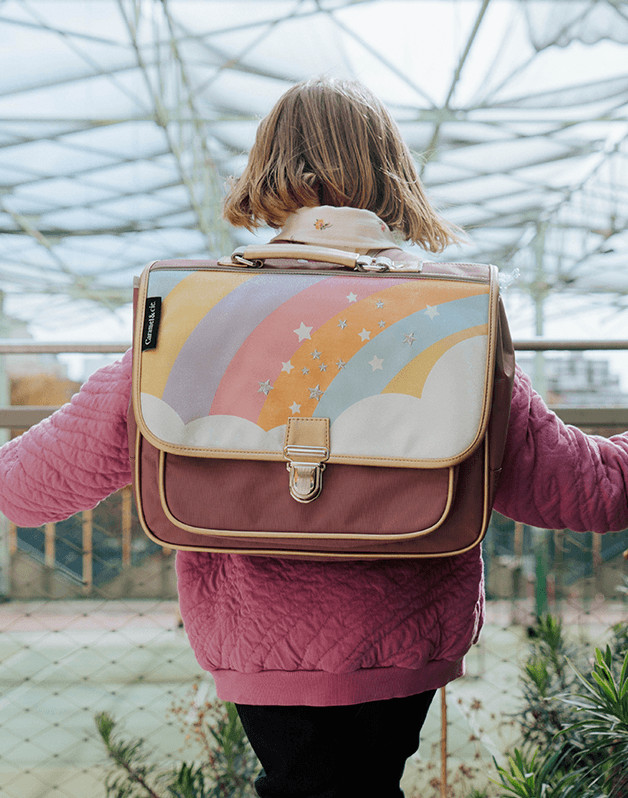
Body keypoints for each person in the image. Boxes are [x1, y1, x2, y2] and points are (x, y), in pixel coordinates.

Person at [2, 77, 628, 798]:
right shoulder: (452, 318)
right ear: (393, 172)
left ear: (266, 168)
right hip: (403, 643)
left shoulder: (192, 315)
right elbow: (588, 490)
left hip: (258, 651)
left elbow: (27, 486)